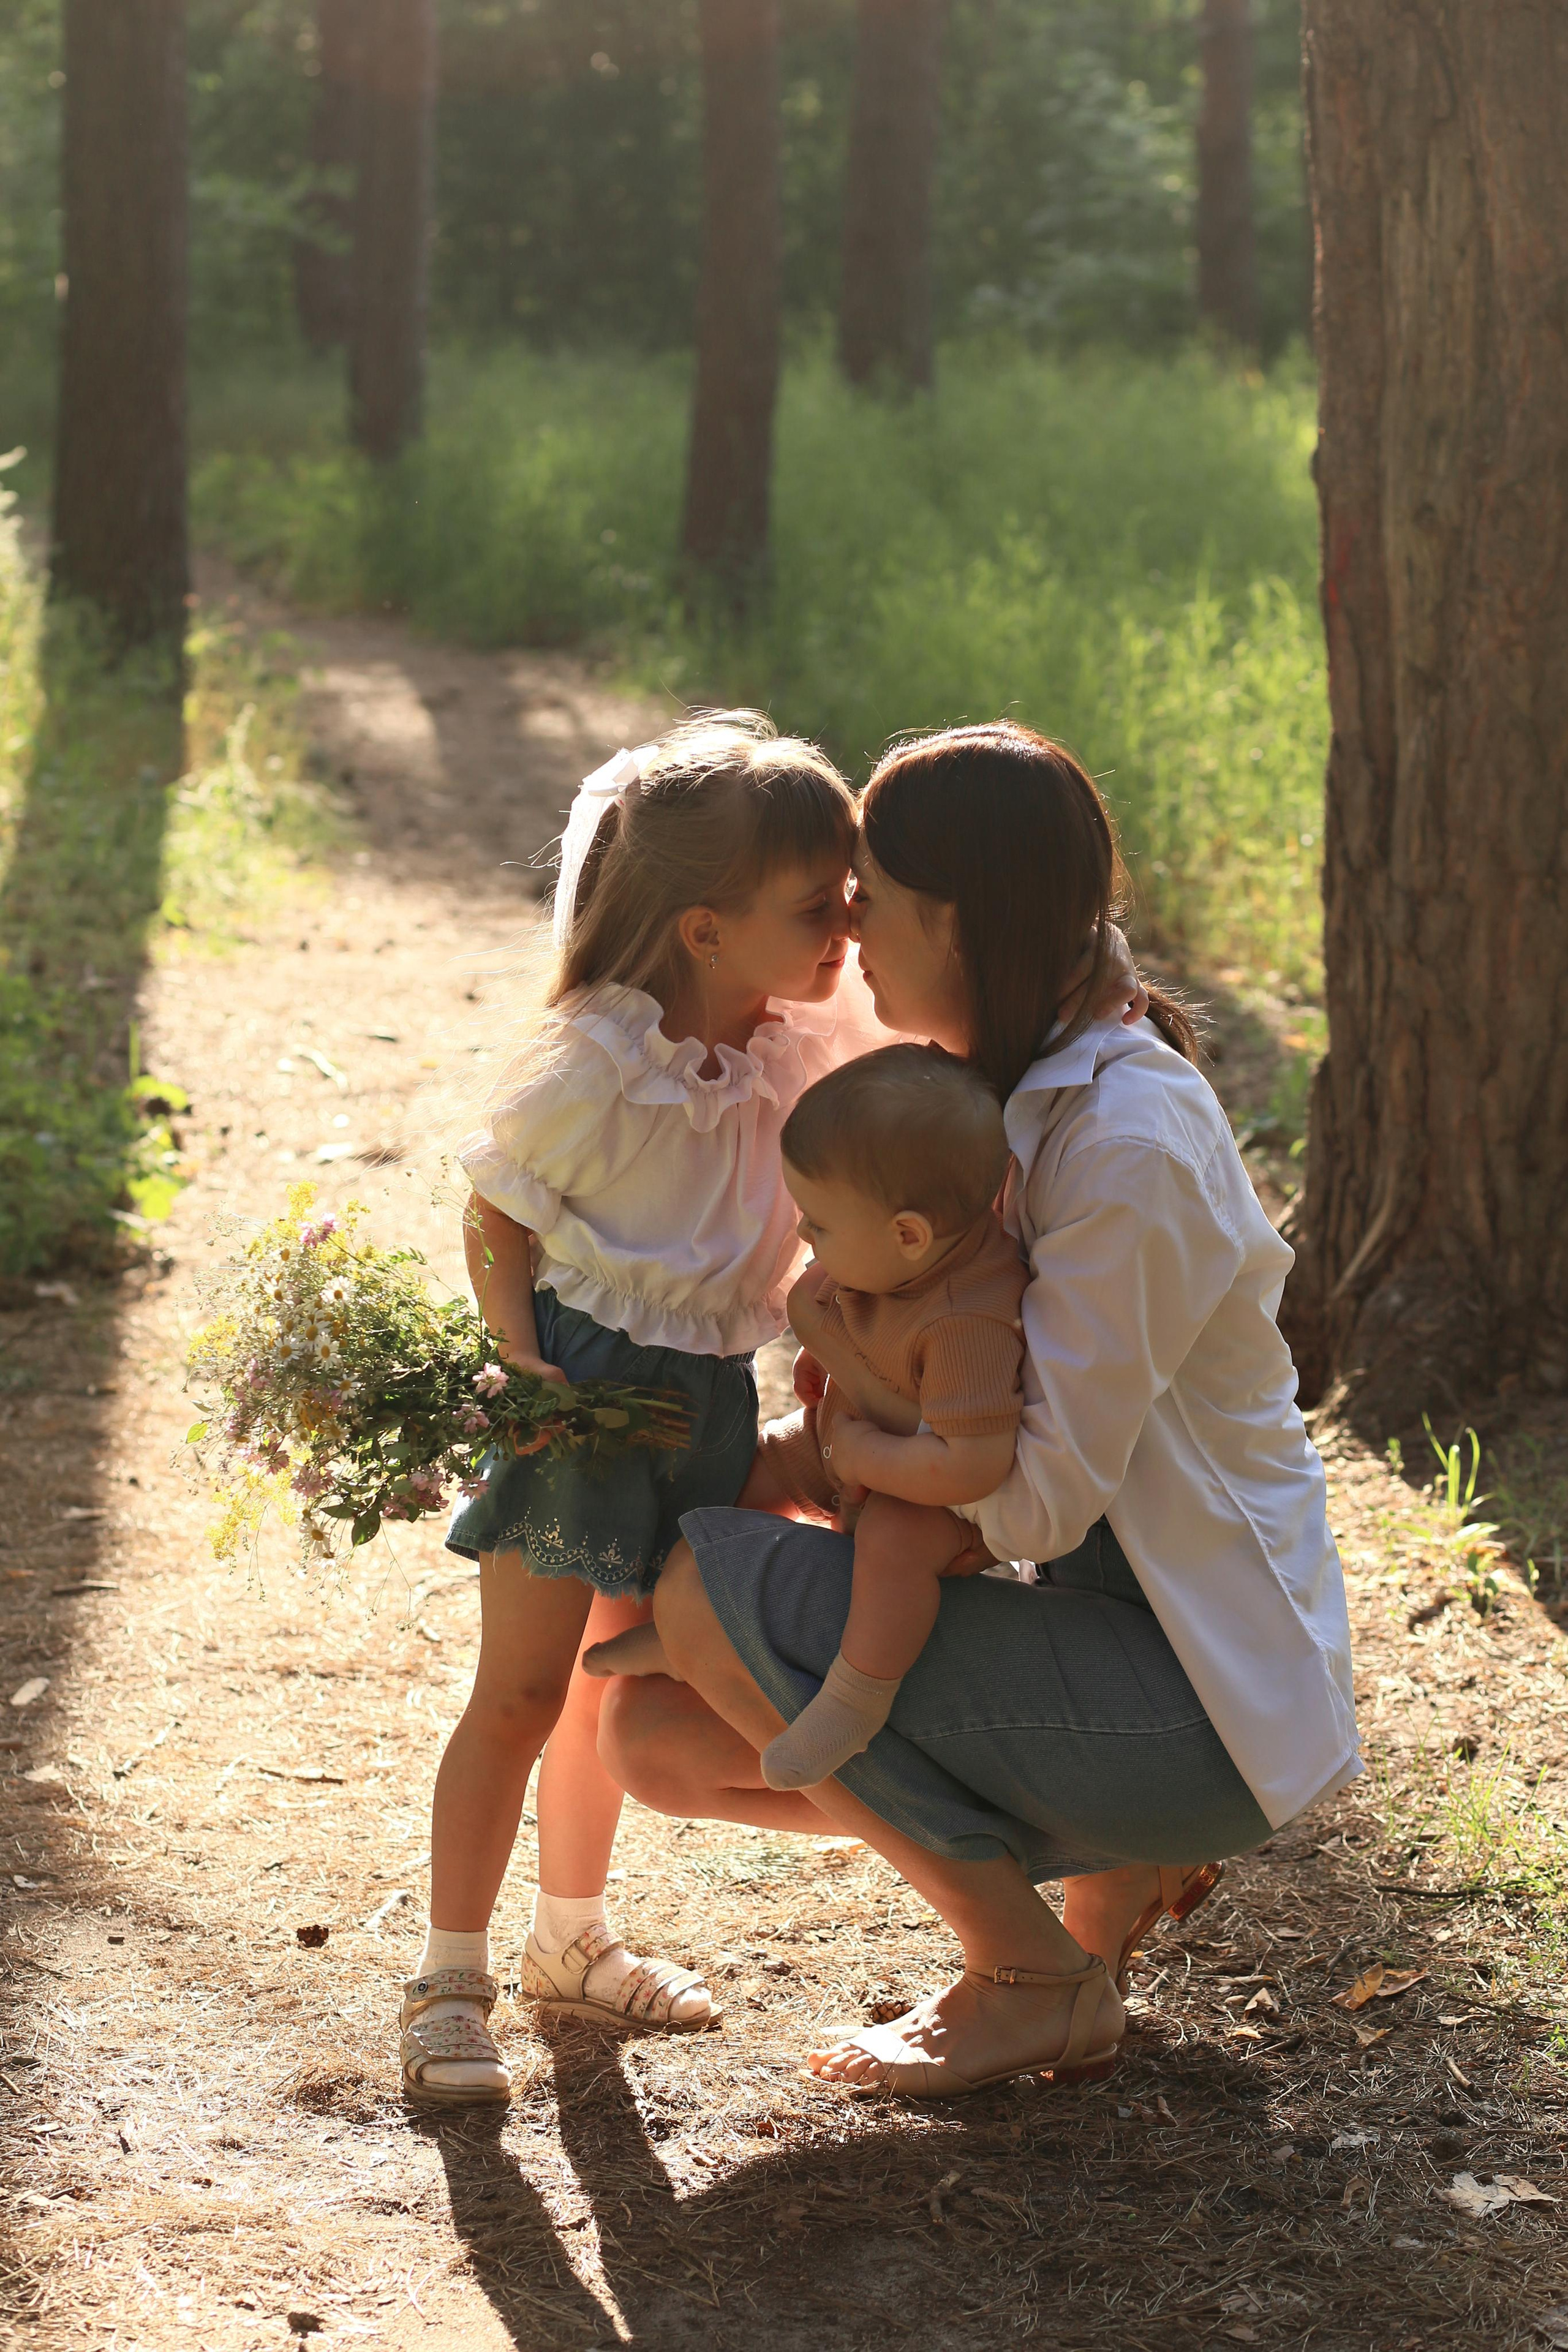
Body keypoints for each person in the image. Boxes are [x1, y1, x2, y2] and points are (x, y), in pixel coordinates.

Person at [597, 720, 1360, 2101]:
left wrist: (829, 1447)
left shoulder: (1121, 1147)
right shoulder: (1009, 1094)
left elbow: (1032, 1499)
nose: (847, 935)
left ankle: (1030, 1978)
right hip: (1101, 1641)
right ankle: (1111, 1867)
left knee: (714, 1604)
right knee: (653, 1738)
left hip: (1199, 1703)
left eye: (867, 902)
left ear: (948, 920)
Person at [398, 712, 861, 2106]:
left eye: (850, 899)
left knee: (622, 1677)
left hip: (708, 1407)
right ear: (704, 928)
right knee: (524, 1685)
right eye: (815, 907)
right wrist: (520, 1357)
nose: (845, 928)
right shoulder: (602, 1055)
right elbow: (496, 1203)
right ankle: (447, 1978)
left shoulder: (783, 1055)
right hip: (584, 1397)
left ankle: (571, 1936)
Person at [589, 1043, 1030, 1794]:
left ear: (908, 1235)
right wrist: (832, 1365)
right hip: (838, 1444)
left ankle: (856, 1700)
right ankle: (693, 1631)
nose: (803, 1239)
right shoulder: (894, 1261)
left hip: (934, 1503)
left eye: (819, 1225)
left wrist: (860, 1459)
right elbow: (848, 1328)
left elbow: (971, 1464)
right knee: (738, 1480)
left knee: (894, 1545)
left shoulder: (967, 1323)